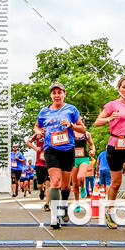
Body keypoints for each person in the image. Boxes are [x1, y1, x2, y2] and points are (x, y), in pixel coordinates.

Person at [93, 76, 125, 227]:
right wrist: (110, 119)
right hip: (115, 146)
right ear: (119, 89)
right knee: (115, 184)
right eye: (124, 87)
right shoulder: (111, 105)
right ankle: (110, 211)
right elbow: (97, 122)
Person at [34, 82, 85, 228]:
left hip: (68, 149)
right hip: (51, 149)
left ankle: (63, 206)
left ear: (64, 94)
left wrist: (71, 125)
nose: (57, 95)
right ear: (51, 95)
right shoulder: (44, 112)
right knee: (55, 181)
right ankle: (55, 216)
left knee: (65, 184)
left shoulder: (71, 109)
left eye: (59, 92)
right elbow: (37, 125)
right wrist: (38, 132)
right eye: (54, 92)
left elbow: (82, 129)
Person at [71, 117, 96, 211]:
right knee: (74, 183)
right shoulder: (70, 133)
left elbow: (91, 144)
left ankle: (83, 187)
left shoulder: (86, 134)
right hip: (73, 159)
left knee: (80, 177)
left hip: (84, 158)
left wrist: (92, 150)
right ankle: (77, 204)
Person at [26, 130, 50, 210]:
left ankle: (47, 204)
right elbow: (28, 142)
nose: (44, 129)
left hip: (49, 163)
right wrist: (36, 148)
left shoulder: (52, 133)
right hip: (39, 164)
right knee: (39, 185)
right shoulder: (37, 134)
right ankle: (41, 191)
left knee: (48, 184)